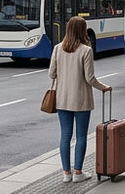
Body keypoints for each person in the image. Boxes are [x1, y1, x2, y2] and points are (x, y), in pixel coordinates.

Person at [48, 16, 113, 183]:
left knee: (65, 135)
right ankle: (78, 172)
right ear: (83, 31)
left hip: (62, 98)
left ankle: (66, 173)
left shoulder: (57, 48)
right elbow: (90, 78)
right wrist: (104, 87)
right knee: (81, 136)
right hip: (81, 99)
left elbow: (51, 74)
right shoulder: (86, 50)